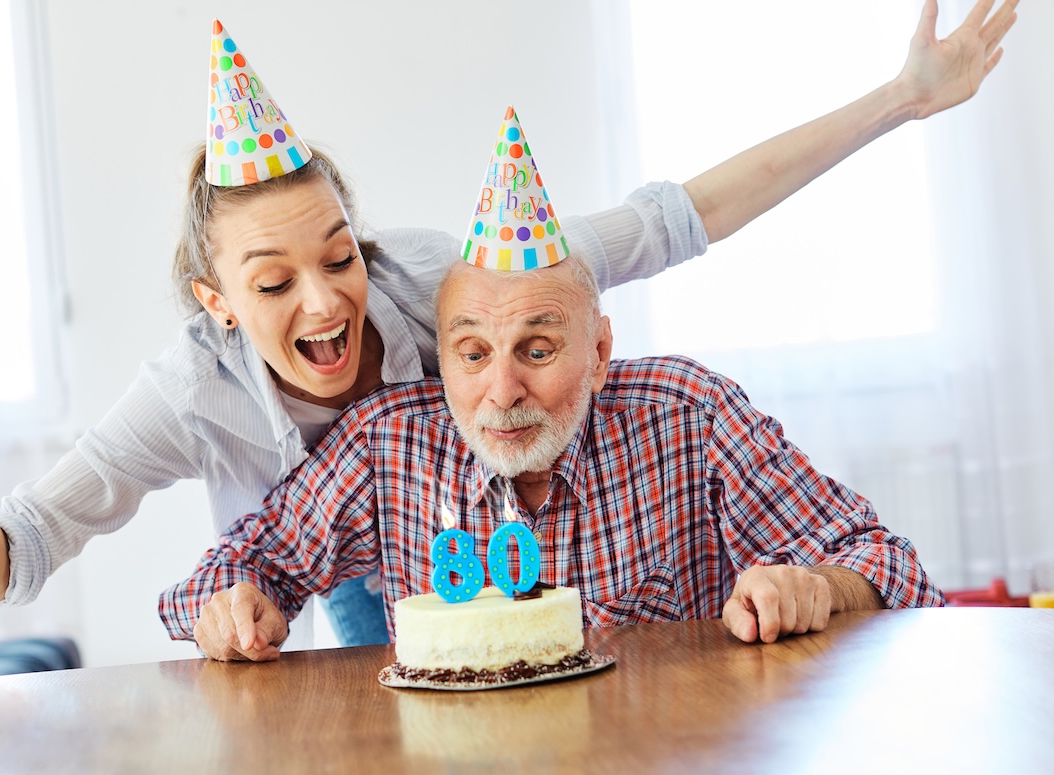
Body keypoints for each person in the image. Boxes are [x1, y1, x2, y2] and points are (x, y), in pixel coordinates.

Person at [0, 2, 1010, 645]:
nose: (324, 301)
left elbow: (681, 215)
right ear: (216, 304)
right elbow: (12, 564)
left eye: (338, 254)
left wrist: (899, 100)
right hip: (361, 568)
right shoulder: (222, 407)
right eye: (271, 283)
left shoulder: (478, 280)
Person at [160, 108, 944, 661]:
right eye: (470, 353)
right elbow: (230, 570)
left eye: (537, 348)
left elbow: (889, 564)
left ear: (600, 350)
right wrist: (229, 606)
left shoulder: (689, 416)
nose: (501, 391)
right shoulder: (385, 445)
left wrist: (815, 587)